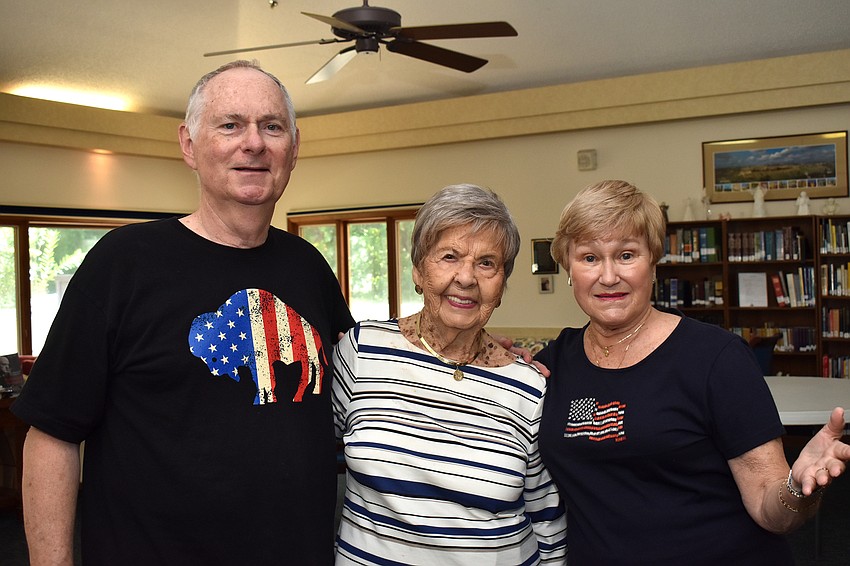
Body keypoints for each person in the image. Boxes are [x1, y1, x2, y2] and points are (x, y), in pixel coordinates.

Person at [12, 60, 354, 565]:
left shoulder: (308, 267)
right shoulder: (122, 264)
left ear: (294, 148)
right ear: (189, 145)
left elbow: (361, 382)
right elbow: (51, 434)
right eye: (230, 125)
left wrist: (459, 350)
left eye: (272, 126)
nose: (254, 143)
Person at [536, 179, 850, 565]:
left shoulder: (716, 357)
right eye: (589, 258)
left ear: (653, 261)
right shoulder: (553, 363)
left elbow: (770, 509)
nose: (609, 275)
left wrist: (797, 489)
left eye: (626, 255)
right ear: (568, 267)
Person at [332, 184, 568, 565]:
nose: (466, 278)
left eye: (487, 263)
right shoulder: (363, 352)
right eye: (449, 256)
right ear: (418, 270)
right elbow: (306, 458)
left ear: (502, 286)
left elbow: (547, 519)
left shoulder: (529, 388)